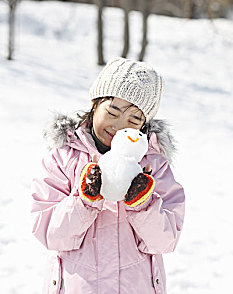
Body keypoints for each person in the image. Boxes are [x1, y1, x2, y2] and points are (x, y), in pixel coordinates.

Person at [31, 57, 185, 294]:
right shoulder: (63, 159)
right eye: (113, 111)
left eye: (133, 120)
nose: (119, 126)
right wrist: (84, 201)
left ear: (144, 125)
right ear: (95, 103)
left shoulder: (154, 166)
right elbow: (51, 234)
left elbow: (165, 240)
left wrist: (142, 203)